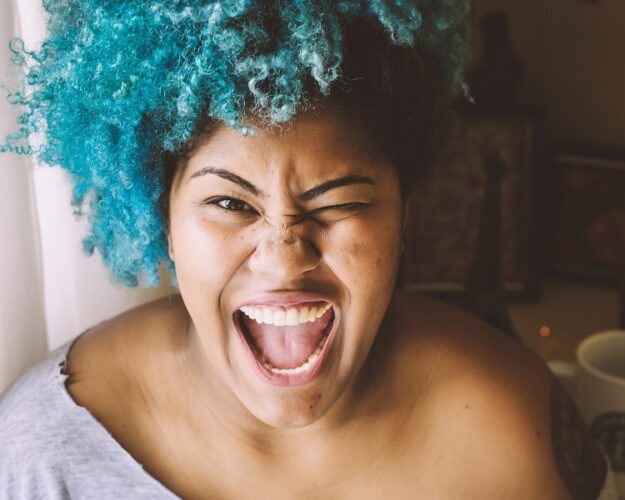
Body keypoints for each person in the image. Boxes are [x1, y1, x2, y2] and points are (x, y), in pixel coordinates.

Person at [0, 1, 611, 498]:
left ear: (404, 222)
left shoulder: (515, 436)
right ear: (165, 222)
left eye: (340, 203)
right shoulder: (44, 459)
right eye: (231, 204)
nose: (286, 258)